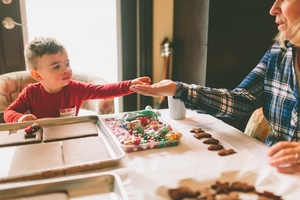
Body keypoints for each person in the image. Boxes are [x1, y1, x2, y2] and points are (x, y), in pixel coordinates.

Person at [130, 0, 300, 174]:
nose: (273, 9)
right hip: (275, 169)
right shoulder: (278, 52)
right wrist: (178, 90)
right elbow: (241, 100)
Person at [4, 36, 150, 123]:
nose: (65, 70)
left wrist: (130, 84)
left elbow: (104, 90)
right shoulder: (30, 93)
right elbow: (9, 112)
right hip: (41, 140)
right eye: (56, 67)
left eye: (67, 64)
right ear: (38, 75)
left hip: (70, 136)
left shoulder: (76, 88)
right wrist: (19, 118)